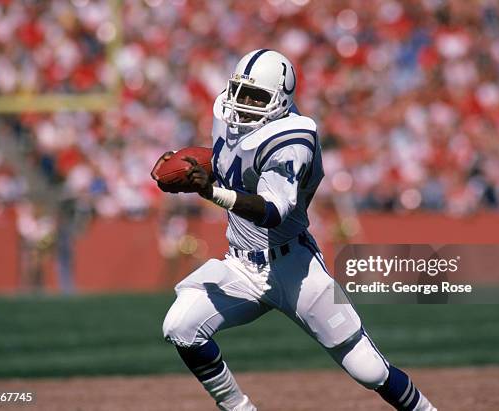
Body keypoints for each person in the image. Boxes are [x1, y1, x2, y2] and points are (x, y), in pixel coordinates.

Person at [152, 49, 436, 411]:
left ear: (281, 100)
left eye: (256, 97)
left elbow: (272, 212)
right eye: (238, 91)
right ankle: (239, 409)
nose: (242, 103)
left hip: (294, 268)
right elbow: (232, 161)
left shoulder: (292, 140)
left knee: (368, 370)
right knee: (180, 327)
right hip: (241, 265)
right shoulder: (225, 112)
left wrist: (209, 190)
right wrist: (198, 168)